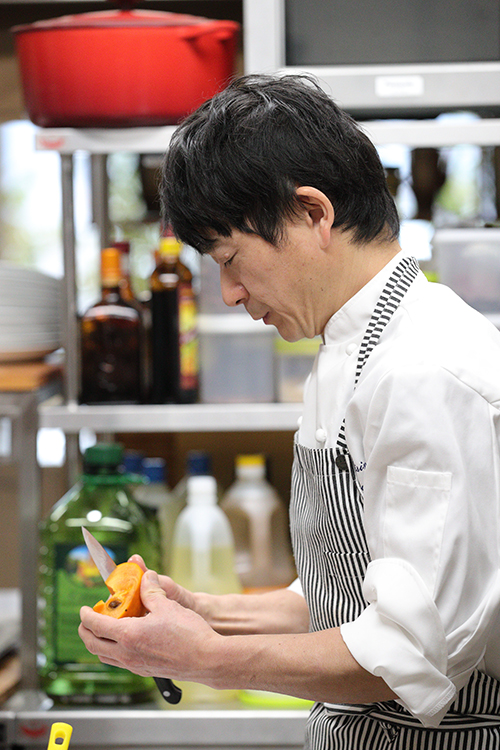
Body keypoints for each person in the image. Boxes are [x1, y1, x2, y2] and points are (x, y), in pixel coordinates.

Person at [79, 74, 500, 748]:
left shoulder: (426, 370)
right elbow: (342, 595)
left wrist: (203, 659)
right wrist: (205, 612)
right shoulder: (347, 346)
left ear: (312, 213)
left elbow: (409, 651)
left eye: (232, 258)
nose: (232, 291)